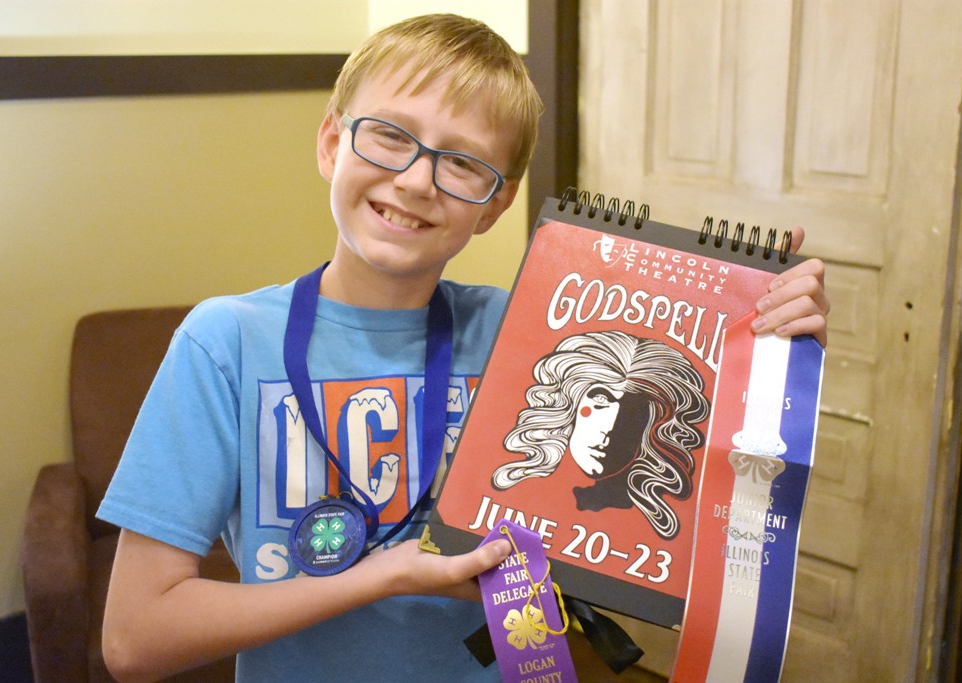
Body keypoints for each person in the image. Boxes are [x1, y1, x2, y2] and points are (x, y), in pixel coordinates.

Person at [96, 13, 831, 683]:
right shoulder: (225, 343)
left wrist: (768, 350)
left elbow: (678, 480)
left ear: (496, 204)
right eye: (390, 134)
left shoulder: (529, 335)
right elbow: (135, 638)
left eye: (463, 163)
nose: (417, 180)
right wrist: (385, 574)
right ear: (331, 142)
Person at [491, 330, 710, 540]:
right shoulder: (521, 492)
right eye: (600, 401)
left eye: (633, 412)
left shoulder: (643, 525)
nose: (609, 428)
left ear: (652, 428)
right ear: (572, 403)